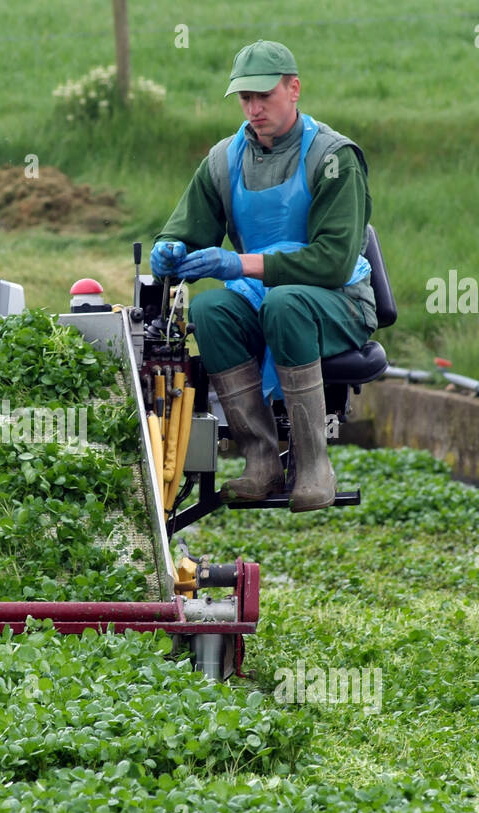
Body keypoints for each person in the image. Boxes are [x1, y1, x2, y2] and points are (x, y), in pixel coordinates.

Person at [150, 40, 375, 512]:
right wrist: (168, 251)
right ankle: (261, 461)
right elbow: (184, 231)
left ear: (294, 89)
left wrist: (238, 264)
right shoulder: (223, 160)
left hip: (338, 301)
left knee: (286, 302)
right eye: (244, 99)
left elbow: (332, 262)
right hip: (264, 300)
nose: (253, 109)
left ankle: (313, 464)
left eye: (264, 96)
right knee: (211, 309)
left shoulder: (334, 158)